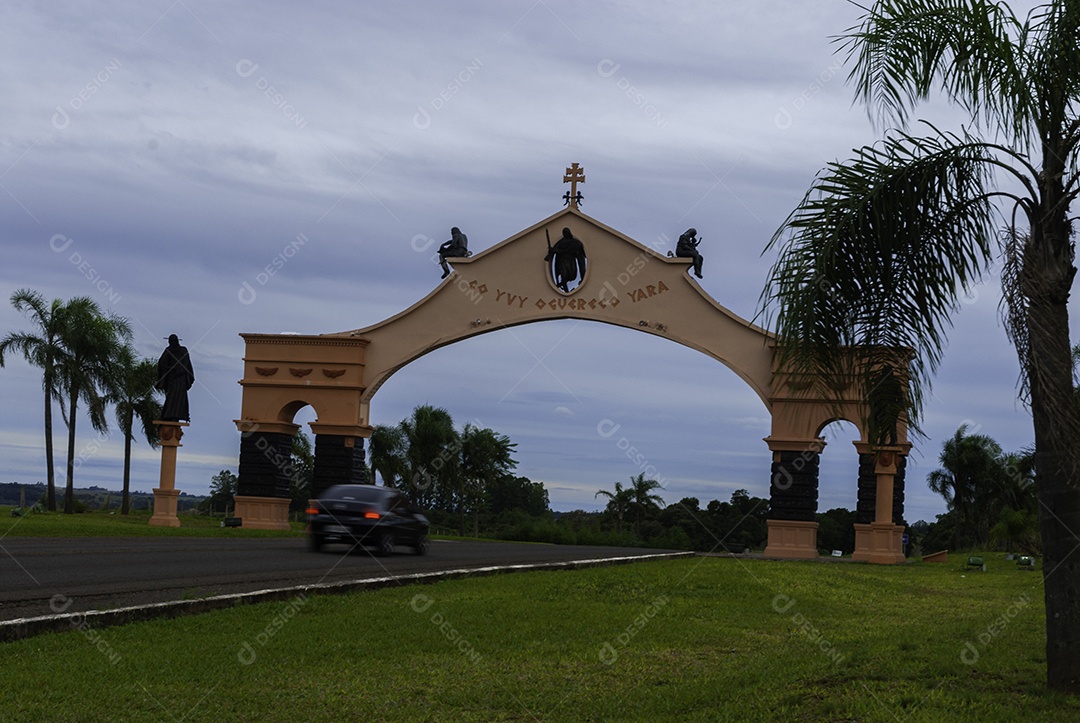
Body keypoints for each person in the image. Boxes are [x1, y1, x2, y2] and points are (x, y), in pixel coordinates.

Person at [157, 334, 195, 422]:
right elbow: (162, 363)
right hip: (173, 378)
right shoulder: (169, 350)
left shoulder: (182, 350)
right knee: (171, 396)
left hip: (180, 378)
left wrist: (173, 369)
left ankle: (175, 414)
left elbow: (186, 364)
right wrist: (169, 368)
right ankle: (169, 415)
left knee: (178, 397)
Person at [545, 227, 587, 292]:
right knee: (564, 275)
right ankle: (564, 287)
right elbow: (557, 250)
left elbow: (559, 250)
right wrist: (552, 251)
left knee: (572, 275)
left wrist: (554, 250)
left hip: (571, 261)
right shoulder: (561, 242)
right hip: (562, 262)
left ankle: (563, 285)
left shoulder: (575, 243)